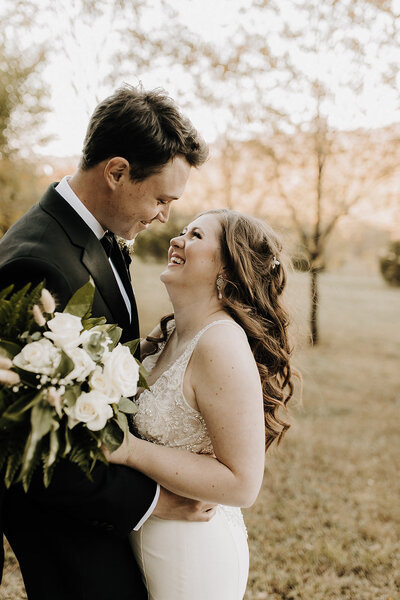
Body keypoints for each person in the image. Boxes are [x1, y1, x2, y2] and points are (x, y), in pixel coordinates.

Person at [0, 84, 210, 600]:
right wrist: (148, 500)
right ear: (116, 172)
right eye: (161, 198)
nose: (164, 215)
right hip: (67, 522)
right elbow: (23, 434)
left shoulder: (91, 232)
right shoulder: (36, 262)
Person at [106, 208, 296, 599]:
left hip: (192, 558)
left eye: (195, 235)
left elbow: (243, 483)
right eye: (182, 231)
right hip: (149, 540)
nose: (176, 240)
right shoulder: (171, 330)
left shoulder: (220, 343)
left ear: (227, 269)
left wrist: (128, 451)